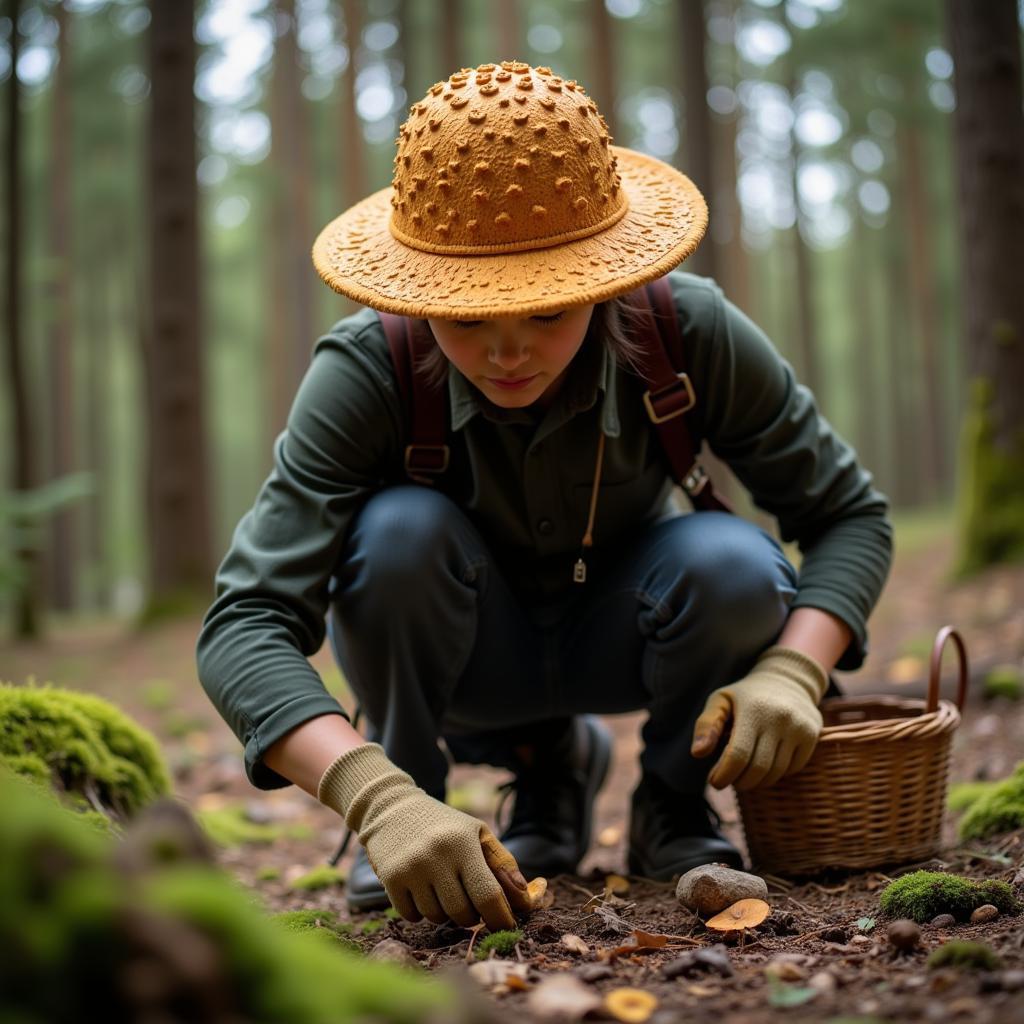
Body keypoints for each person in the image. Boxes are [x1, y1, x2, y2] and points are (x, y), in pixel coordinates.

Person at [196, 60, 892, 931]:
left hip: (635, 630)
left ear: (603, 280)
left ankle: (672, 806)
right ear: (420, 297)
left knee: (733, 565)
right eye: (470, 321)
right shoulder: (366, 369)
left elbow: (850, 517)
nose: (509, 354)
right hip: (459, 660)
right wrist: (375, 797)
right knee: (398, 537)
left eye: (549, 313)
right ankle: (464, 804)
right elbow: (244, 624)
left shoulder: (686, 329)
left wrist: (795, 669)